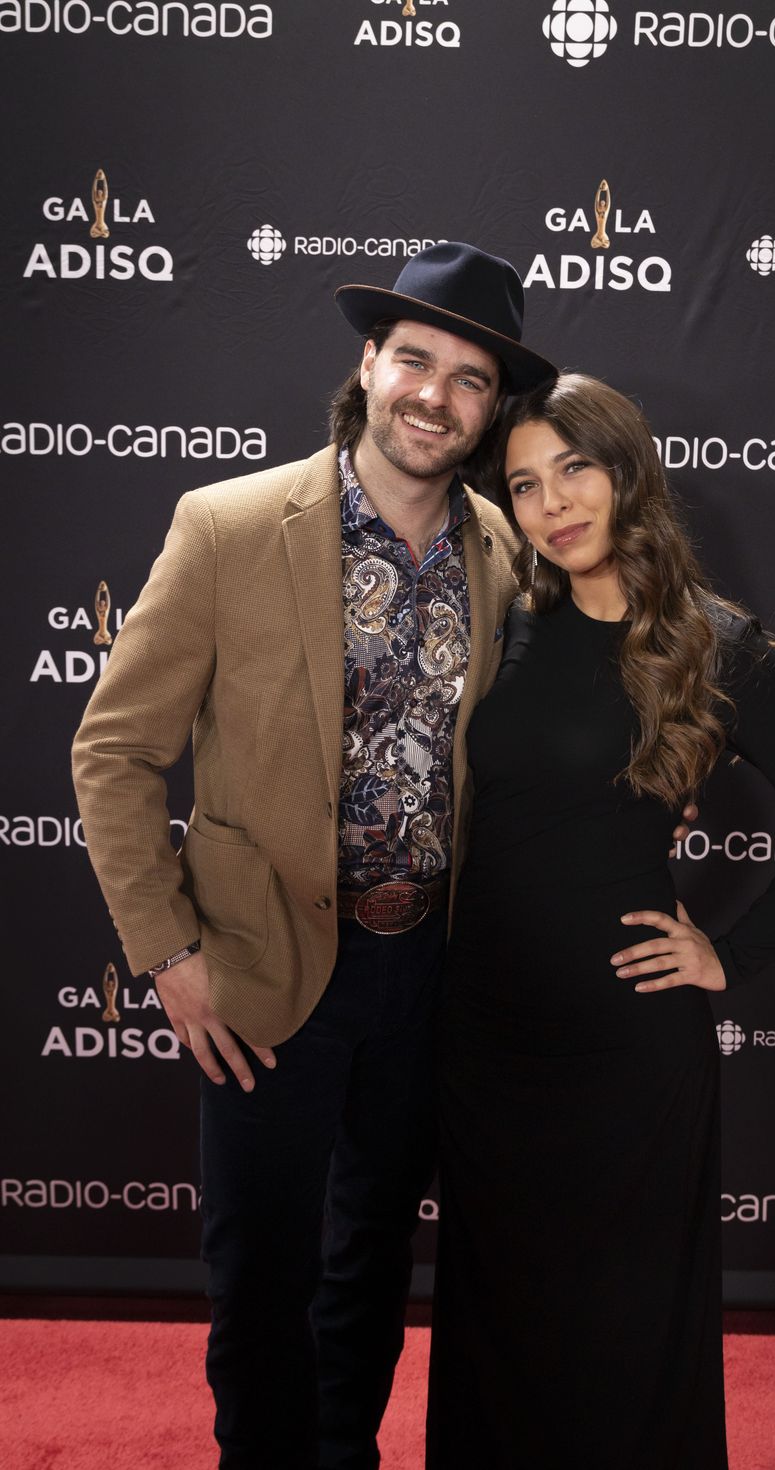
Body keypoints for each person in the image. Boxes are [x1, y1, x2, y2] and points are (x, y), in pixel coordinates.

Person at [71, 243, 575, 1470]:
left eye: (467, 380)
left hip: (430, 976)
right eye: (414, 360)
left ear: (488, 408)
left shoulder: (509, 556)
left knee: (369, 1265)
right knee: (261, 1273)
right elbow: (115, 752)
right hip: (259, 968)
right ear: (368, 364)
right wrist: (167, 954)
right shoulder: (230, 526)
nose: (434, 396)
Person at [426, 374, 775, 1469]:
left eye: (574, 469)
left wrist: (727, 953)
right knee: (495, 1318)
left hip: (629, 1042)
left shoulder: (718, 648)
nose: (551, 505)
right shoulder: (504, 623)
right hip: (486, 1029)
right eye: (524, 483)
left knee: (628, 1330)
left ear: (628, 470)